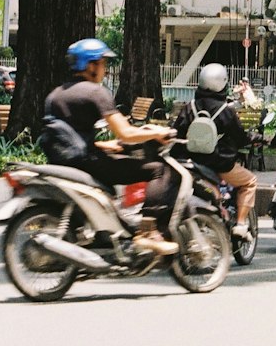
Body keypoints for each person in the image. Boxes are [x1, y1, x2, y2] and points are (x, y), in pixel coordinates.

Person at [43, 38, 179, 257]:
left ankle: (103, 233)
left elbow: (68, 134)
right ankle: (148, 232)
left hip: (64, 161)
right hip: (87, 163)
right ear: (90, 65)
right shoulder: (96, 92)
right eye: (103, 63)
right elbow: (126, 133)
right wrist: (158, 132)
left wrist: (104, 145)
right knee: (158, 170)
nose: (105, 69)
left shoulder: (56, 94)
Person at [174, 63, 258, 242]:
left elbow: (176, 132)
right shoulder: (226, 111)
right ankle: (241, 224)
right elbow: (240, 138)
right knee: (250, 181)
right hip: (220, 164)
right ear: (222, 83)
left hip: (192, 163)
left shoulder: (189, 107)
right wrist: (252, 138)